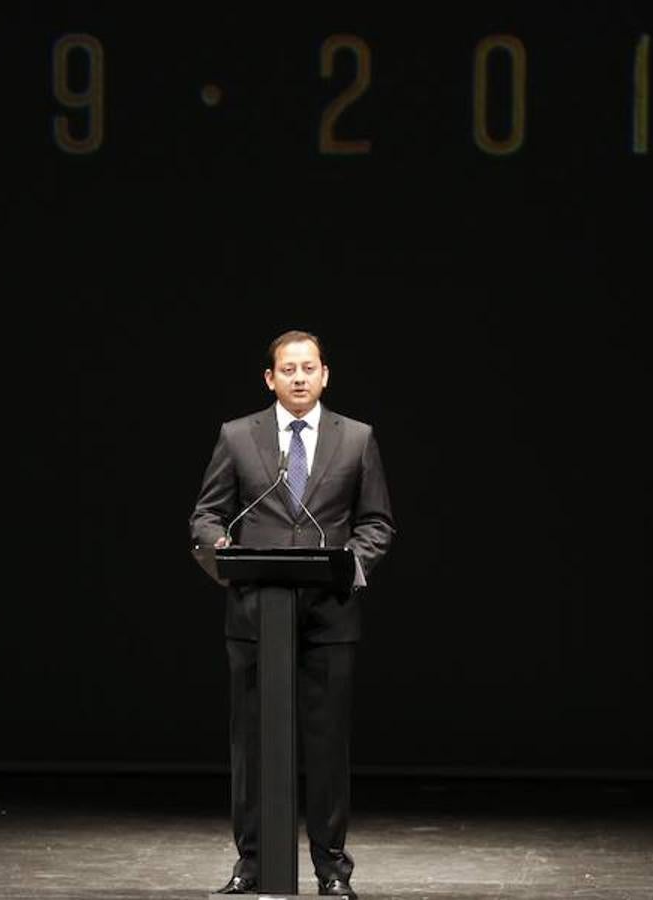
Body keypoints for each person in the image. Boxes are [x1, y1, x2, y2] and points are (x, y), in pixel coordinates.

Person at [190, 330, 395, 899]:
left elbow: (376, 522)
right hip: (257, 617)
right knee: (251, 747)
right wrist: (221, 555)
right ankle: (251, 864)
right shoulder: (237, 437)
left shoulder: (356, 438)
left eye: (309, 368)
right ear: (270, 378)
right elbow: (208, 516)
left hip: (328, 619)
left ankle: (332, 870)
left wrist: (352, 564)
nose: (299, 378)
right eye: (288, 369)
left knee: (327, 749)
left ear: (325, 374)